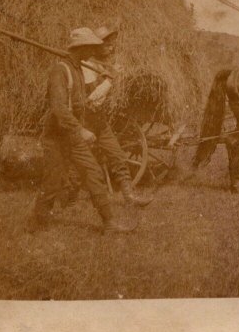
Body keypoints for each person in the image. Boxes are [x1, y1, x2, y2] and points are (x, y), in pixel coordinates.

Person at [29, 28, 136, 234]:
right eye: (92, 47)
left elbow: (82, 103)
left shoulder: (78, 69)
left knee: (93, 172)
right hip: (56, 136)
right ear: (82, 47)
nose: (96, 50)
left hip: (73, 135)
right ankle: (36, 225)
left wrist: (103, 80)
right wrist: (82, 130)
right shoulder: (60, 70)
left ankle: (110, 223)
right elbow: (59, 108)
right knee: (53, 182)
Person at [81, 26, 153, 207]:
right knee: (78, 164)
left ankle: (130, 196)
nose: (111, 48)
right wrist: (111, 79)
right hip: (85, 121)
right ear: (96, 46)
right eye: (107, 44)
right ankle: (72, 202)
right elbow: (92, 100)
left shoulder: (104, 65)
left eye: (112, 44)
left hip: (100, 120)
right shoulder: (87, 67)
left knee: (117, 155)